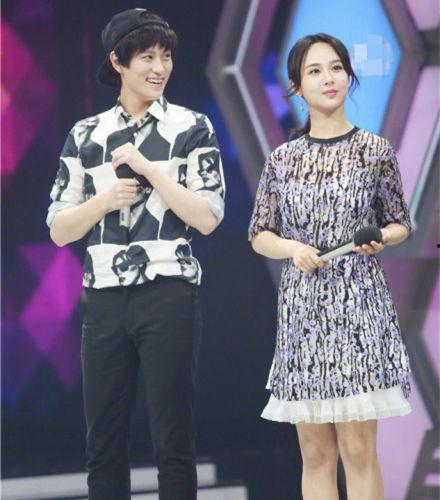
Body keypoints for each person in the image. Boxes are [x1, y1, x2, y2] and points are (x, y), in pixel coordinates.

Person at [47, 8, 225, 500]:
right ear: (118, 62)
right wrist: (103, 201)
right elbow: (59, 229)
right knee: (102, 445)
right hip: (104, 300)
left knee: (174, 442)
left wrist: (151, 169)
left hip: (169, 294)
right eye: (147, 56)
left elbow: (208, 217)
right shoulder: (86, 134)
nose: (159, 67)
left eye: (166, 56)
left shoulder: (192, 127)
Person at [248, 33, 412, 500]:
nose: (328, 78)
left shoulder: (375, 150)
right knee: (315, 452)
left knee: (358, 449)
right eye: (315, 70)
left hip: (359, 303)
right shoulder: (283, 160)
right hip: (303, 310)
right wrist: (292, 249)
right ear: (296, 86)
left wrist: (383, 238)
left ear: (349, 76)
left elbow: (399, 222)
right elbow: (260, 234)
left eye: (336, 67)